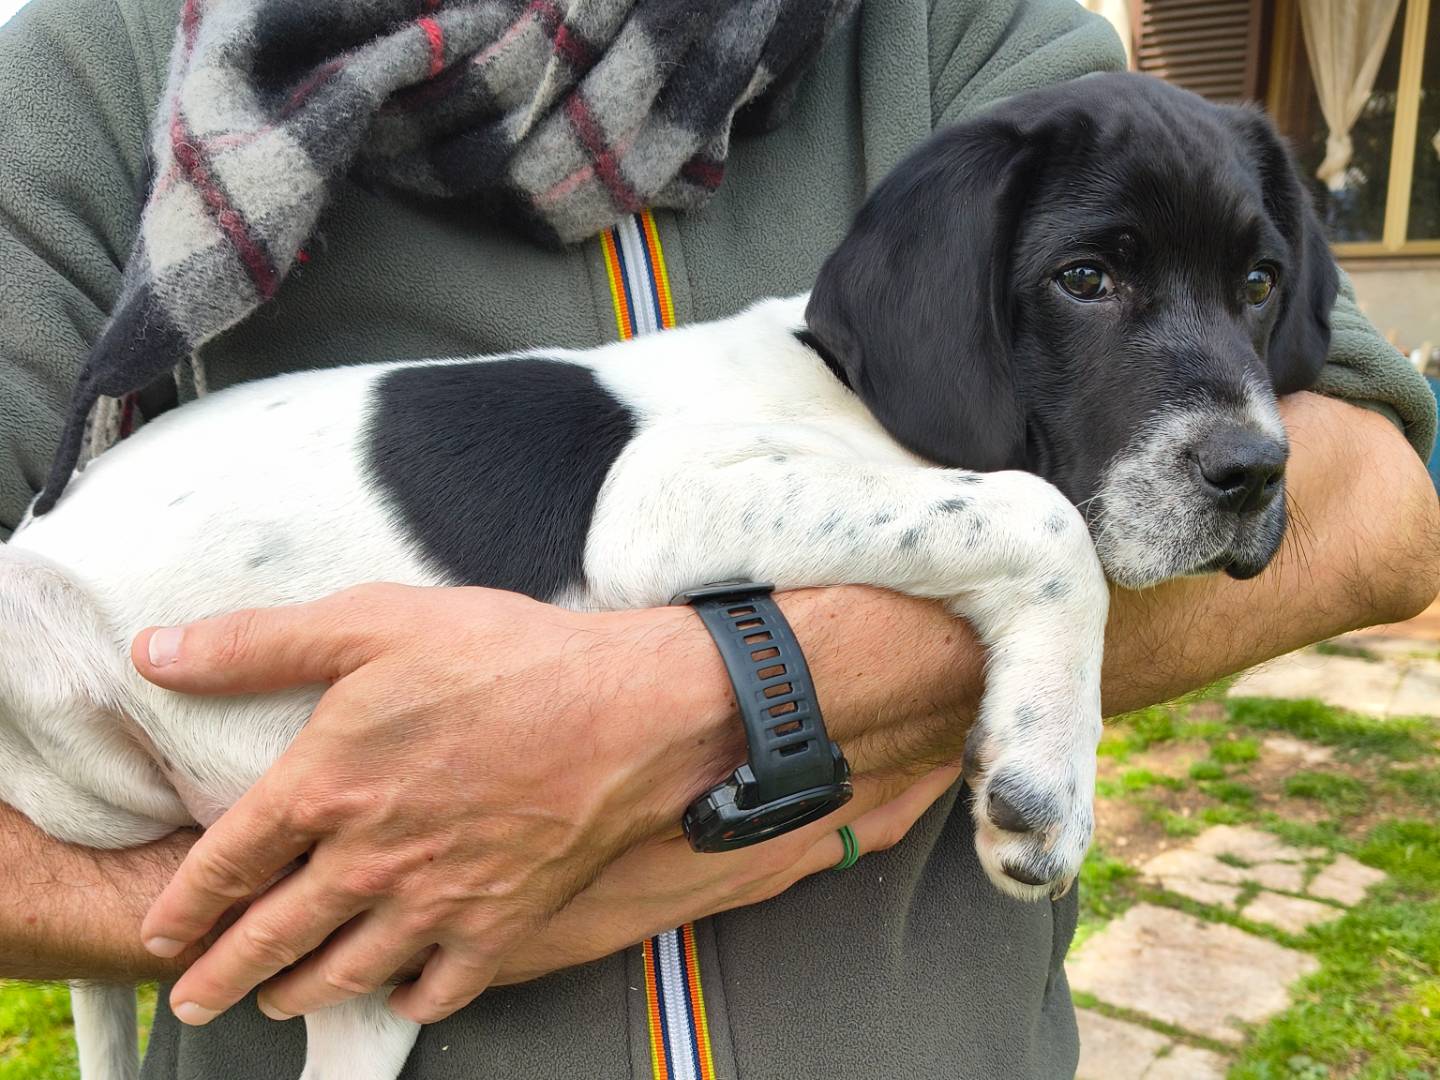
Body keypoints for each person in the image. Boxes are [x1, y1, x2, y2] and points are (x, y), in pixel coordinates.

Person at [1, 0, 1436, 1076]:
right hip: (138, 694)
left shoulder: (948, 28)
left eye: (1253, 289)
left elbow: (1377, 501)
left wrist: (734, 701)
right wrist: (318, 889)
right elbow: (655, 514)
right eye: (1095, 279)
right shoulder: (110, 60)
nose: (1243, 412)